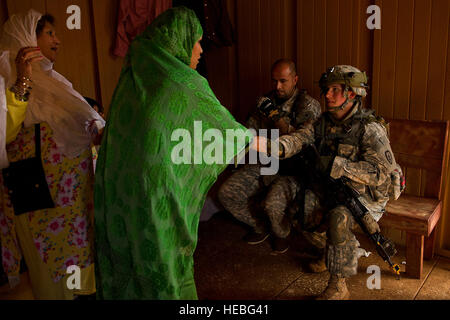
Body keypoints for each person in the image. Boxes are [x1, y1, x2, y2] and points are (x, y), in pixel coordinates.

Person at [94, 6, 251, 300]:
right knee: (167, 262)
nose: (201, 50)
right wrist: (275, 146)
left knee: (133, 253)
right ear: (180, 40)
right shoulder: (182, 83)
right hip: (157, 192)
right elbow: (225, 129)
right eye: (198, 40)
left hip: (123, 190)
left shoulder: (136, 74)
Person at [253, 65, 402, 300]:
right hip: (333, 188)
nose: (327, 95)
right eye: (327, 90)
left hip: (366, 197)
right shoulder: (323, 122)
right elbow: (299, 139)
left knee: (338, 217)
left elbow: (381, 172)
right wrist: (271, 147)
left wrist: (338, 165)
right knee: (299, 209)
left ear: (352, 94)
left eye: (335, 90)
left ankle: (338, 287)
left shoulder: (370, 129)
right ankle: (330, 252)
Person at [0, 10, 105, 299]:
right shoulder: (6, 76)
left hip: (70, 198)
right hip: (36, 193)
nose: (57, 40)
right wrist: (22, 81)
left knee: (77, 259)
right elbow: (4, 130)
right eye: (48, 33)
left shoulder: (55, 81)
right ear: (25, 37)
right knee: (48, 266)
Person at [218, 59, 321, 253]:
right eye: (274, 81)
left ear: (295, 79)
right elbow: (249, 131)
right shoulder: (265, 102)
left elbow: (305, 141)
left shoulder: (308, 106)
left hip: (295, 170)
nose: (277, 86)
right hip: (267, 163)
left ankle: (282, 233)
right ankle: (261, 226)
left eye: (283, 81)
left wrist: (280, 122)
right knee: (226, 193)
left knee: (272, 204)